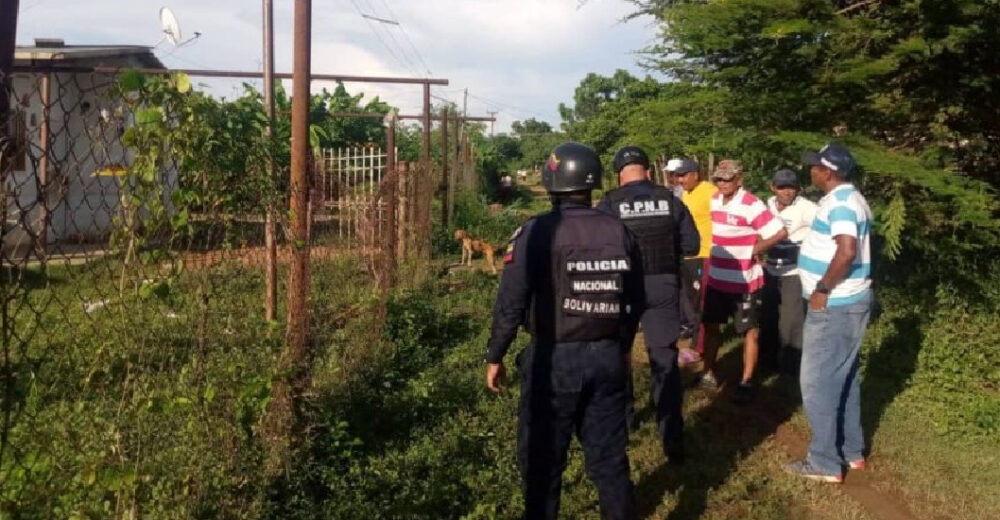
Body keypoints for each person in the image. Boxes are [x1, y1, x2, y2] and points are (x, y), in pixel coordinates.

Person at [485, 142, 644, 519]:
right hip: (607, 357)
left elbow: (511, 301)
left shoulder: (537, 232)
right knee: (609, 461)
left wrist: (496, 355)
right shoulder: (618, 230)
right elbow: (635, 297)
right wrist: (622, 345)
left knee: (542, 462)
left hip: (554, 361)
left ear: (552, 179)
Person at [597, 146, 700, 464]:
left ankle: (623, 425)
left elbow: (597, 247)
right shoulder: (670, 198)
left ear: (618, 173)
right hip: (663, 284)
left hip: (623, 286)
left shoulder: (610, 202)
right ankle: (672, 438)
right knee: (664, 357)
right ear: (648, 170)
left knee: (619, 354)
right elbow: (692, 245)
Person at [785, 143, 873, 483]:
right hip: (849, 302)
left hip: (834, 305)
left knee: (816, 382)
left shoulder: (840, 203)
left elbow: (847, 250)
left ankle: (824, 461)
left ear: (829, 172)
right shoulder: (850, 198)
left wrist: (822, 289)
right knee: (844, 376)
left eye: (815, 167)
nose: (810, 171)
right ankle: (852, 452)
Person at [698, 160, 787, 404]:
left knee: (750, 332)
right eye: (719, 179)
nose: (723, 183)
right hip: (717, 277)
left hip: (745, 281)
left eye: (728, 179)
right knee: (712, 327)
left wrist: (755, 248)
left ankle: (746, 381)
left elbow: (780, 232)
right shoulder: (714, 200)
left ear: (740, 180)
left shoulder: (751, 203)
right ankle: (708, 372)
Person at [760, 169, 818, 375]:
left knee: (791, 321)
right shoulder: (766, 206)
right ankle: (767, 361)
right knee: (768, 316)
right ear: (773, 187)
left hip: (794, 271)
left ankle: (792, 366)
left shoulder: (808, 208)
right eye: (782, 187)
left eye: (791, 187)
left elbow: (824, 232)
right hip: (770, 269)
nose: (787, 192)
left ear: (798, 189)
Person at [668, 158, 716, 366]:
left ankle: (698, 348)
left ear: (696, 174)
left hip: (704, 255)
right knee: (691, 302)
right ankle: (695, 340)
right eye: (678, 176)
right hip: (687, 256)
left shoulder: (710, 192)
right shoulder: (685, 193)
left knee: (701, 304)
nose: (680, 179)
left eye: (684, 175)